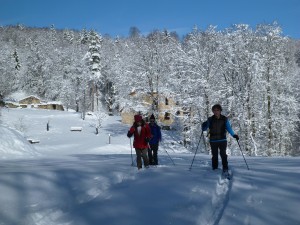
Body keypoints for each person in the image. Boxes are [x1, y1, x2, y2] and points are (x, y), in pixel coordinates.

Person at [202, 104, 239, 172]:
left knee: (223, 154)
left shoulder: (224, 119)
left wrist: (234, 135)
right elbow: (204, 128)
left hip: (222, 140)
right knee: (215, 155)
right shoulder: (210, 119)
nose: (216, 112)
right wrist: (204, 125)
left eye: (217, 110)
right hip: (213, 140)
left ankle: (225, 168)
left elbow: (229, 128)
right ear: (213, 111)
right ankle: (215, 168)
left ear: (220, 111)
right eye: (214, 110)